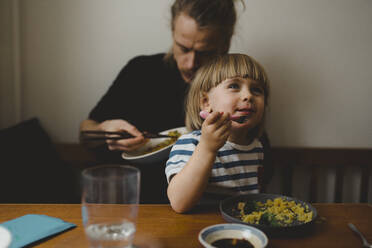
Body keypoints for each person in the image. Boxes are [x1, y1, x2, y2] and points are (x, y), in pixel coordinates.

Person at [79, 0, 245, 204]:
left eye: (205, 53)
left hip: (207, 209)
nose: (191, 63)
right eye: (183, 48)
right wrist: (105, 132)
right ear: (173, 32)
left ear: (225, 44)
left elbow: (260, 155)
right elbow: (86, 133)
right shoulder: (140, 70)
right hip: (136, 205)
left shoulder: (236, 86)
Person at [166, 54, 271, 213]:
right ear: (206, 103)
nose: (248, 95)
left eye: (256, 90)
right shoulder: (190, 143)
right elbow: (179, 203)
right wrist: (207, 148)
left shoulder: (257, 147)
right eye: (234, 86)